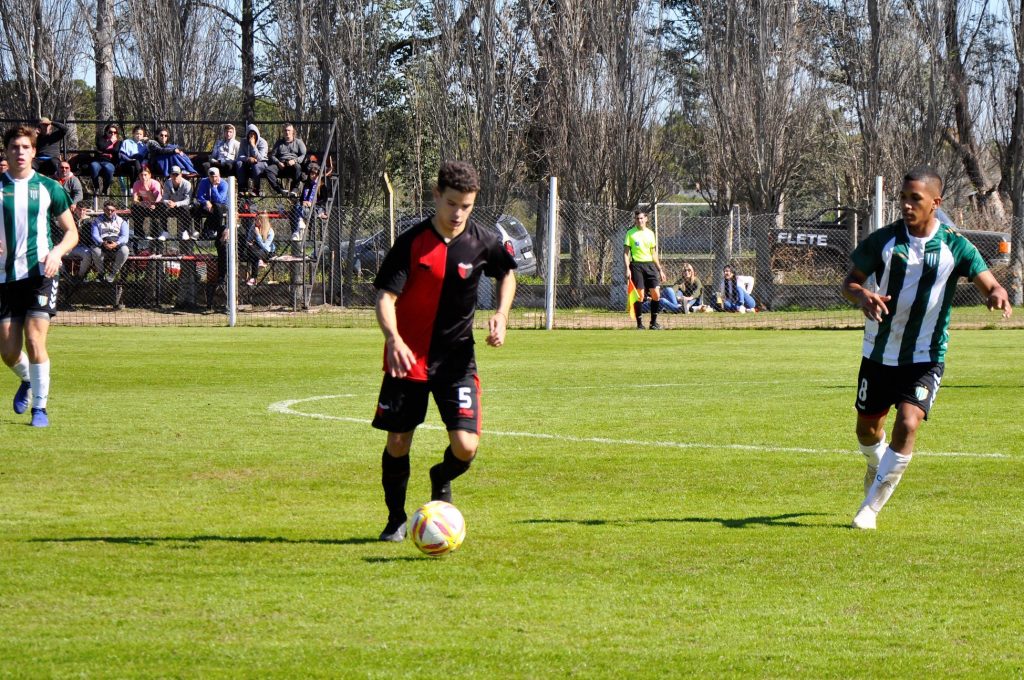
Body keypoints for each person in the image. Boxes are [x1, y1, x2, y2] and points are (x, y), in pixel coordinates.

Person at [845, 167, 1012, 531]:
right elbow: (850, 282)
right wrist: (863, 296)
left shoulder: (955, 246)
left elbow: (987, 282)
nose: (906, 205)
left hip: (926, 356)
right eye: (903, 198)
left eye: (915, 199)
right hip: (879, 353)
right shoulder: (884, 241)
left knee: (908, 423)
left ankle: (870, 509)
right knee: (867, 433)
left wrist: (996, 293)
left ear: (935, 203)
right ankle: (877, 465)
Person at [372, 160, 517, 542]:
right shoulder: (412, 242)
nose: (458, 214)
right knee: (399, 441)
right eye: (452, 204)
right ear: (436, 196)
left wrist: (501, 314)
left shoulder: (482, 241)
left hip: (456, 361)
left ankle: (441, 476)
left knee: (466, 446)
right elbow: (385, 297)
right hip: (408, 358)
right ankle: (395, 519)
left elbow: (507, 272)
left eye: (466, 206)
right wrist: (394, 338)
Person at [0, 125, 79, 427]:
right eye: (14, 147)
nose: (20, 152)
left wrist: (57, 254)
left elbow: (71, 232)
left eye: (25, 147)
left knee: (34, 340)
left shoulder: (49, 187)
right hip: (5, 277)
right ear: (6, 152)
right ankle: (29, 381)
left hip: (40, 273)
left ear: (34, 152)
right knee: (8, 352)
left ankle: (40, 410)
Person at [623, 209, 666, 329]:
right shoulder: (630, 233)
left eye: (641, 218)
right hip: (636, 266)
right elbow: (626, 253)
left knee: (656, 295)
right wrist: (627, 268)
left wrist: (660, 269)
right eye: (637, 219)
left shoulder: (651, 233)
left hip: (650, 266)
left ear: (646, 219)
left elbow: (654, 253)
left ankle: (653, 323)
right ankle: (640, 324)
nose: (639, 220)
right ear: (635, 220)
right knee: (640, 296)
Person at [192, 167, 230, 284]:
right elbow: (199, 196)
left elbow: (220, 199)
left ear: (219, 175)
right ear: (208, 176)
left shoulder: (224, 184)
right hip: (208, 206)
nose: (214, 178)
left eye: (216, 176)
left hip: (221, 208)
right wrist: (205, 202)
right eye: (212, 177)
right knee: (195, 207)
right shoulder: (204, 181)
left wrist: (214, 187)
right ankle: (199, 230)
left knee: (217, 207)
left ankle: (212, 229)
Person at [89, 201, 130, 284]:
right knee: (95, 250)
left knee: (125, 250)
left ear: (116, 210)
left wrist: (117, 243)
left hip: (116, 243)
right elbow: (95, 235)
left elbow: (125, 237)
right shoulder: (96, 221)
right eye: (107, 210)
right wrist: (103, 243)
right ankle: (101, 274)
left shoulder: (122, 221)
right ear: (104, 209)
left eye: (112, 210)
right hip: (102, 243)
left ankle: (112, 274)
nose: (110, 212)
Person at [266, 123, 307, 196]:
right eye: (285, 130)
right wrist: (278, 162)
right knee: (268, 170)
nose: (287, 132)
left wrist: (295, 161)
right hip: (281, 165)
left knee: (298, 167)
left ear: (292, 131)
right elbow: (272, 155)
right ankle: (280, 189)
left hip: (293, 165)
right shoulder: (279, 143)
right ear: (283, 132)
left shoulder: (298, 142)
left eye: (289, 130)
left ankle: (294, 190)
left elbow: (303, 155)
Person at [160, 165, 194, 240]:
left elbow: (187, 200)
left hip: (182, 207)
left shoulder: (187, 184)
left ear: (181, 174)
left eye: (177, 174)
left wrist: (176, 204)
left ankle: (185, 231)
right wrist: (168, 202)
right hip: (170, 207)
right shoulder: (167, 183)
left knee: (187, 211)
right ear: (170, 175)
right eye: (173, 174)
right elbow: (164, 198)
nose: (175, 176)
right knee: (161, 208)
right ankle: (165, 232)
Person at [130, 165, 162, 242]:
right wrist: (141, 204)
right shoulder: (136, 184)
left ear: (150, 175)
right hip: (144, 206)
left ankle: (155, 237)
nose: (143, 177)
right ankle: (139, 235)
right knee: (135, 208)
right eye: (141, 175)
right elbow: (134, 200)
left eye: (145, 175)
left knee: (156, 216)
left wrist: (146, 187)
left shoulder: (155, 183)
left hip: (156, 205)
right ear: (139, 176)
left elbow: (154, 200)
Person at [289, 162, 321, 240]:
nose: (313, 176)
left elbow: (322, 201)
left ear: (318, 175)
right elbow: (301, 198)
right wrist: (303, 202)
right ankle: (298, 228)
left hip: (314, 209)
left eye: (315, 174)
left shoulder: (320, 186)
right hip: (304, 207)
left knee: (299, 209)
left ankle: (297, 230)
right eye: (312, 174)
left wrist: (312, 203)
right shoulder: (306, 185)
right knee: (296, 207)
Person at [235, 124, 268, 196]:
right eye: (250, 133)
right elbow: (239, 156)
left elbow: (260, 158)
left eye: (254, 134)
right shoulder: (243, 141)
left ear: (257, 134)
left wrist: (253, 145)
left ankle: (256, 189)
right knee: (239, 163)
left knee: (255, 166)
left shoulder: (263, 142)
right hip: (248, 162)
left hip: (261, 163)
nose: (252, 136)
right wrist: (247, 158)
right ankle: (242, 188)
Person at [244, 212, 275, 285]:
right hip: (255, 250)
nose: (255, 222)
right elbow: (248, 240)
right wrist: (251, 239)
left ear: (262, 221)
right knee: (251, 249)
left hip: (267, 253)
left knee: (254, 255)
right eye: (255, 220)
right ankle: (260, 261)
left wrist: (258, 235)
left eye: (257, 220)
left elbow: (266, 247)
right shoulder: (253, 227)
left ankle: (253, 278)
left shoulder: (270, 231)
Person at [90, 124, 119, 195]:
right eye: (110, 132)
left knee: (109, 169)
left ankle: (105, 189)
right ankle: (96, 187)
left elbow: (115, 151)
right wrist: (110, 142)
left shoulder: (118, 142)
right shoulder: (101, 139)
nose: (113, 134)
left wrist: (103, 150)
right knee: (93, 166)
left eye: (115, 132)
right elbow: (100, 146)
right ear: (106, 132)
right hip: (98, 160)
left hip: (109, 161)